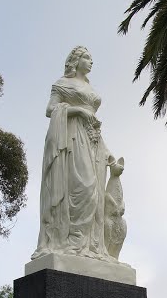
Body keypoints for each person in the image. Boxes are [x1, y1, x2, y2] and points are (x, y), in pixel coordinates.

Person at [32, 45, 117, 260]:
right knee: (82, 188)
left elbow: (95, 123)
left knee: (94, 192)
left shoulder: (90, 88)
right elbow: (50, 110)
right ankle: (70, 242)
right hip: (70, 138)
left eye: (91, 58)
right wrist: (77, 110)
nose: (90, 62)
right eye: (87, 58)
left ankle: (89, 246)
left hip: (92, 140)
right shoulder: (62, 84)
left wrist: (106, 152)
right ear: (76, 61)